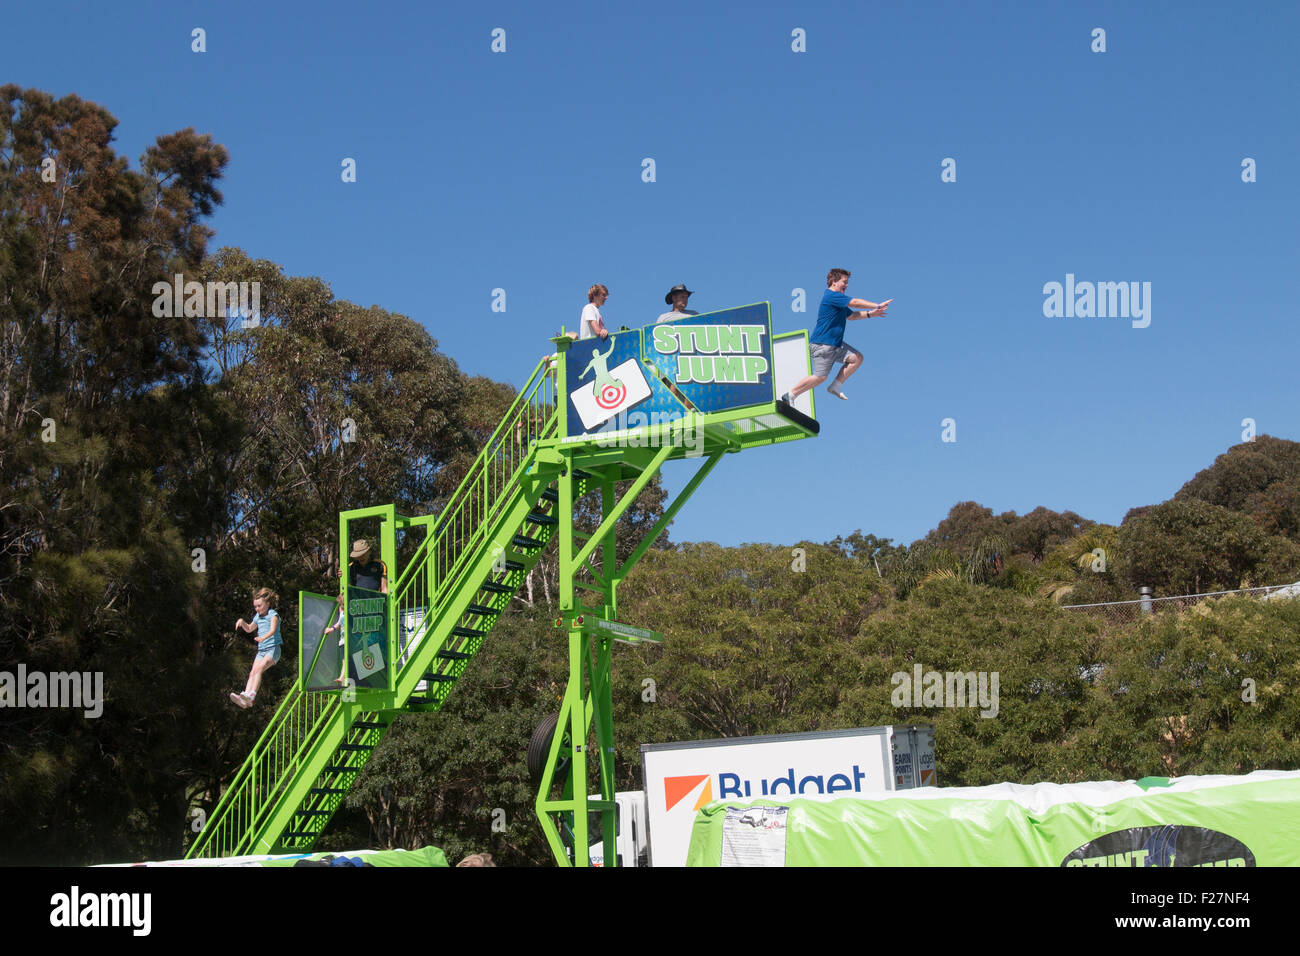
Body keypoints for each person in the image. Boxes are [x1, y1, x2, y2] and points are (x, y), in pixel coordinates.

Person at [782, 268, 893, 403]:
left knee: (856, 358)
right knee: (820, 377)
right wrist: (878, 305)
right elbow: (855, 302)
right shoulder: (831, 296)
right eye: (844, 282)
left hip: (835, 345)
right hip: (822, 344)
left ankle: (836, 386)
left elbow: (851, 315)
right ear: (834, 281)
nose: (846, 285)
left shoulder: (838, 301)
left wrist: (871, 313)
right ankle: (790, 394)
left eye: (847, 283)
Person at [230, 587, 282, 708]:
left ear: (268, 604)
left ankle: (251, 696)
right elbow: (249, 629)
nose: (257, 609)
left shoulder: (273, 615)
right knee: (253, 672)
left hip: (273, 649)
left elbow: (273, 630)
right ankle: (245, 698)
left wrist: (263, 638)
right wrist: (242, 621)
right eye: (255, 607)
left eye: (259, 606)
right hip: (262, 651)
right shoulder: (257, 617)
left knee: (259, 670)